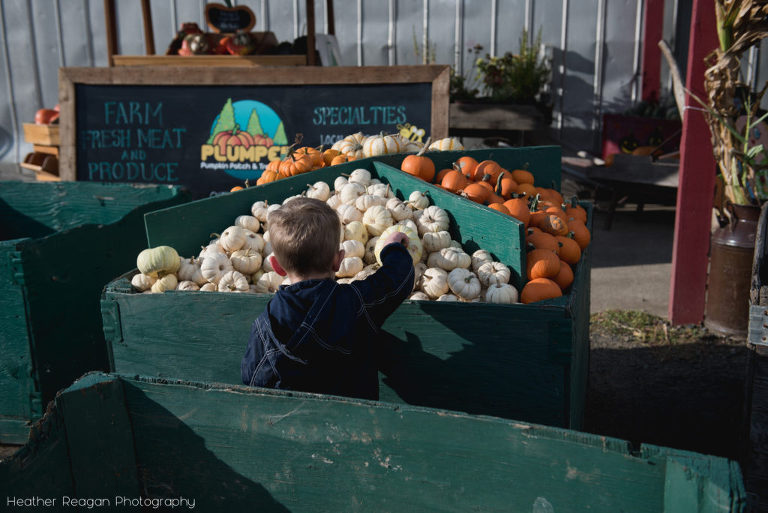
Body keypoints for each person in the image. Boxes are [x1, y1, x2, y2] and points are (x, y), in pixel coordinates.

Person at [241, 197, 414, 400]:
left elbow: (251, 377)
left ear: (276, 266)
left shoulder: (267, 321)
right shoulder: (355, 302)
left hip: (292, 424)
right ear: (339, 260)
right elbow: (397, 279)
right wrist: (393, 247)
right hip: (355, 422)